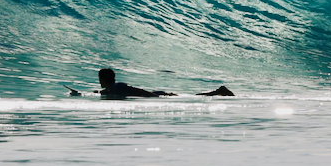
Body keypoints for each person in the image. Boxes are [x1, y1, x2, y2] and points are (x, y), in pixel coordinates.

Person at [95, 68, 234, 98]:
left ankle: (218, 91)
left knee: (193, 97)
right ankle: (217, 91)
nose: (98, 80)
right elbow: (103, 92)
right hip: (157, 94)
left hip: (160, 95)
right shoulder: (112, 89)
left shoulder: (118, 86)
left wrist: (155, 97)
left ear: (104, 79)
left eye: (99, 78)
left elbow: (139, 91)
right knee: (191, 96)